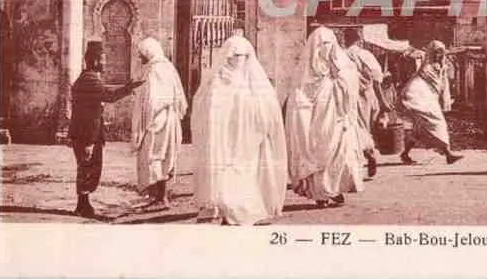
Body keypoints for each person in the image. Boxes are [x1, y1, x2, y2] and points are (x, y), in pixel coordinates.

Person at [191, 34, 288, 226]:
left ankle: (237, 210)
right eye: (234, 56)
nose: (238, 60)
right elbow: (204, 112)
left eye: (243, 56)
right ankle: (225, 210)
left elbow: (268, 110)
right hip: (222, 142)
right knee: (225, 175)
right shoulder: (215, 82)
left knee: (244, 174)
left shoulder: (254, 82)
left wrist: (262, 127)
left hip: (248, 140)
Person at [285, 26, 363, 207]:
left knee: (338, 153)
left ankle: (335, 190)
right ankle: (320, 194)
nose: (324, 50)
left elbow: (350, 87)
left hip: (336, 121)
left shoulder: (339, 70)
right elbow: (298, 105)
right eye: (321, 46)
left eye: (328, 45)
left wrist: (339, 77)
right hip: (315, 127)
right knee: (317, 155)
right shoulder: (303, 78)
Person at [67, 41, 142, 218]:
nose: (104, 63)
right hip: (86, 134)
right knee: (86, 168)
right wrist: (129, 88)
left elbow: (105, 91)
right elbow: (109, 95)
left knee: (87, 167)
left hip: (86, 133)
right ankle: (82, 206)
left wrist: (126, 87)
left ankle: (83, 204)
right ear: (94, 61)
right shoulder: (89, 80)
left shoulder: (88, 78)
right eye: (102, 59)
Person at [131, 38, 188, 210]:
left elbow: (151, 101)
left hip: (156, 120)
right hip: (169, 118)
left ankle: (160, 198)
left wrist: (142, 124)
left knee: (153, 156)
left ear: (149, 53)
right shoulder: (168, 67)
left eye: (142, 55)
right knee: (162, 157)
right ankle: (157, 197)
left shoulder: (154, 70)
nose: (140, 58)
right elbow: (179, 97)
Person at [397, 40, 464, 165]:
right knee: (439, 123)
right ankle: (448, 154)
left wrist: (444, 101)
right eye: (436, 52)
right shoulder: (425, 64)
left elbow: (442, 85)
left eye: (441, 52)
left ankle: (405, 154)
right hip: (420, 98)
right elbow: (417, 81)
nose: (439, 55)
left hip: (430, 98)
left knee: (418, 131)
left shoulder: (443, 66)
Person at [344, 27, 392, 178]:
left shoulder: (342, 55)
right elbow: (377, 80)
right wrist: (383, 102)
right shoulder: (365, 55)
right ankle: (368, 152)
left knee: (353, 128)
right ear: (360, 39)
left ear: (345, 40)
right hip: (367, 98)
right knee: (365, 128)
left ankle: (364, 156)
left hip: (348, 97)